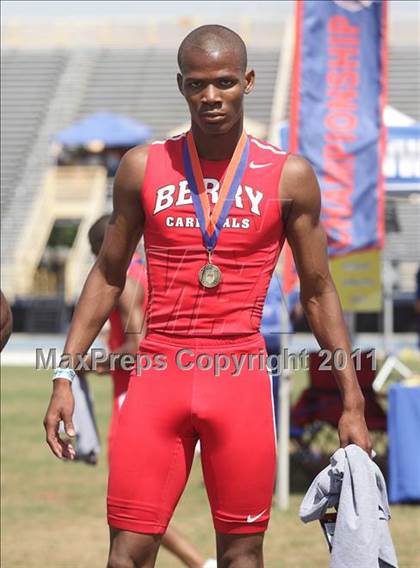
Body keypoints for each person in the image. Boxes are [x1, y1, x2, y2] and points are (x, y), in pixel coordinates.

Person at [44, 24, 372, 568]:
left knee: (243, 555)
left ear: (248, 81)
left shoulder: (289, 176)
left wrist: (353, 400)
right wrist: (64, 375)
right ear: (180, 85)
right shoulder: (143, 167)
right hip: (158, 373)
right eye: (197, 84)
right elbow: (106, 274)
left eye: (224, 82)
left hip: (239, 374)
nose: (211, 96)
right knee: (125, 553)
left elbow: (318, 292)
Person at [87, 215, 216, 568]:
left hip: (134, 397)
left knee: (133, 506)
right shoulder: (154, 273)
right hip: (167, 387)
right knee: (143, 504)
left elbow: (137, 349)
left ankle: (200, 565)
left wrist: (94, 363)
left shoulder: (125, 284)